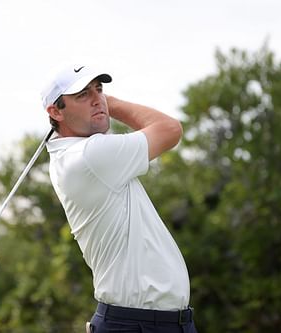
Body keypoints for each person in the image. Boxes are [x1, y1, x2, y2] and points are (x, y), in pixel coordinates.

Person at [40, 63, 198, 333]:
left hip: (158, 323)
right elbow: (170, 129)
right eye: (83, 95)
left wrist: (96, 104)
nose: (97, 99)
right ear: (55, 111)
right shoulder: (89, 156)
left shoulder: (75, 154)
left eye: (99, 90)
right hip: (136, 325)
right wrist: (110, 104)